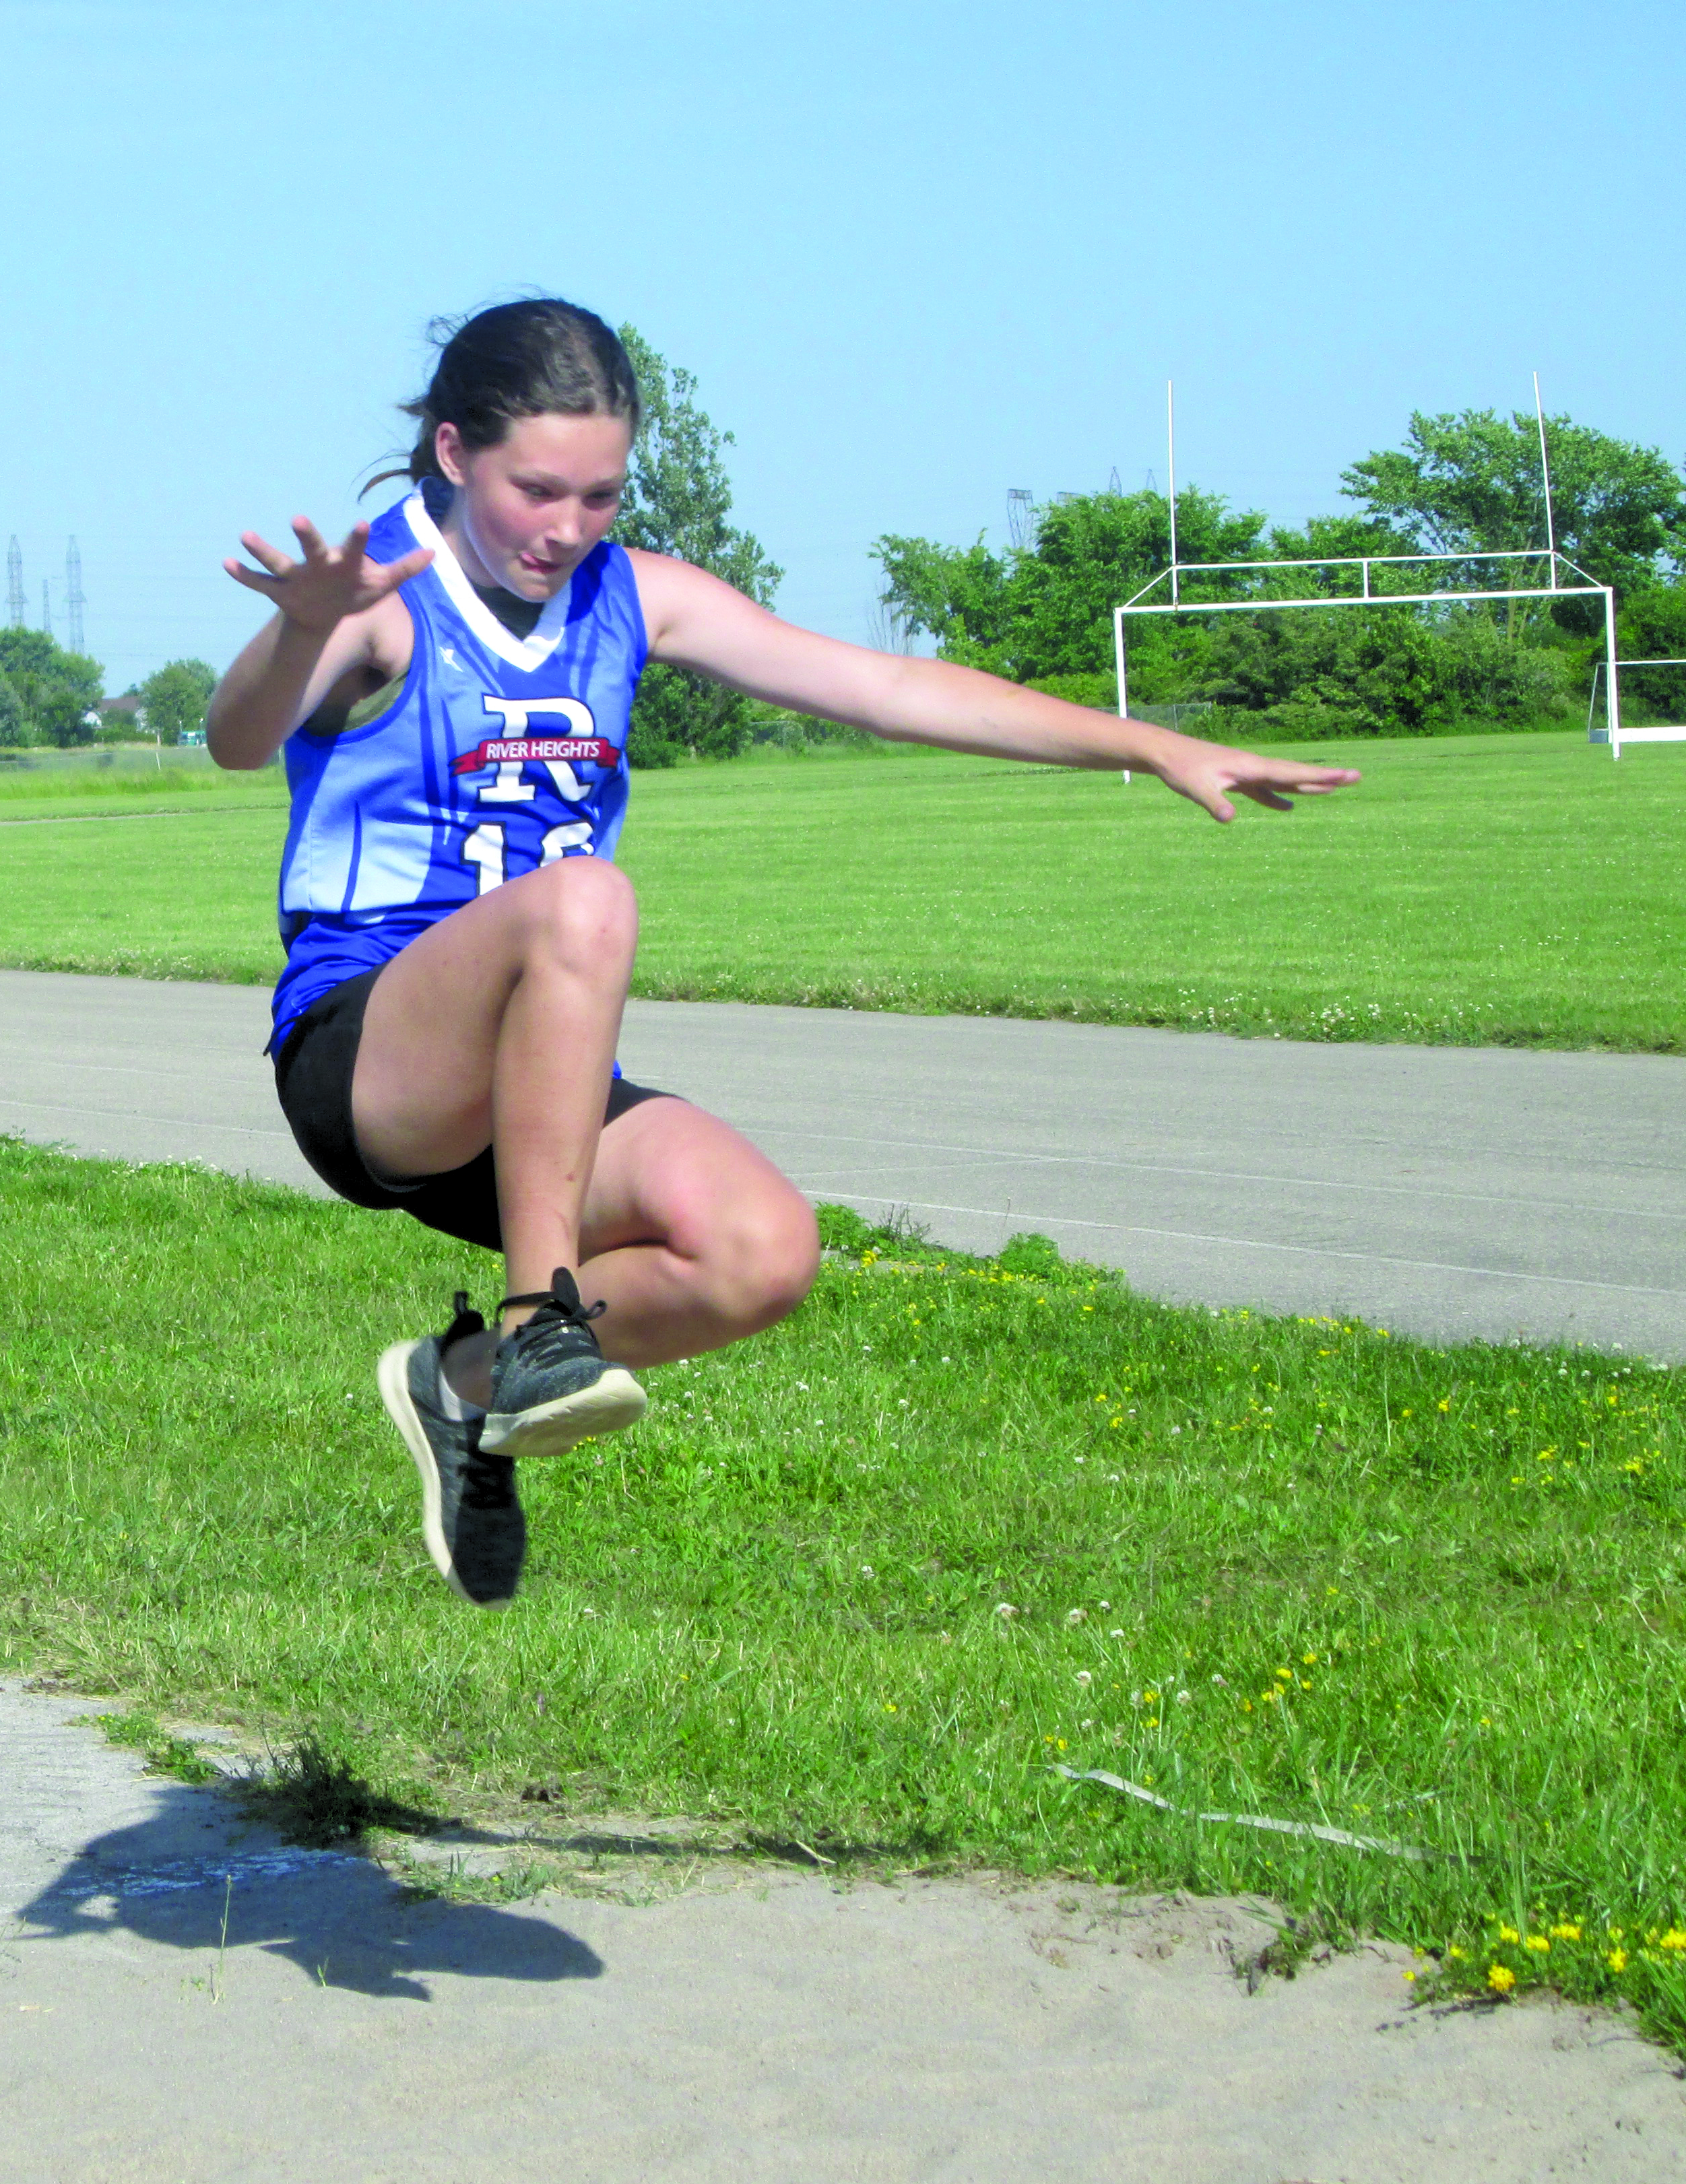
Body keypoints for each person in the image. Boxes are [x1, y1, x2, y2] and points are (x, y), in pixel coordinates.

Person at [209, 298, 1359, 1609]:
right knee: (587, 901)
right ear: (457, 453)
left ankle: (463, 1387)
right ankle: (538, 1329)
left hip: (544, 1082)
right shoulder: (384, 596)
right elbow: (239, 743)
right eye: (538, 490)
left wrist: (1147, 744)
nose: (568, 528)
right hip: (370, 1053)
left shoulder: (636, 596)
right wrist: (304, 626)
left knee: (760, 1250)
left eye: (601, 495)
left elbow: (891, 688)